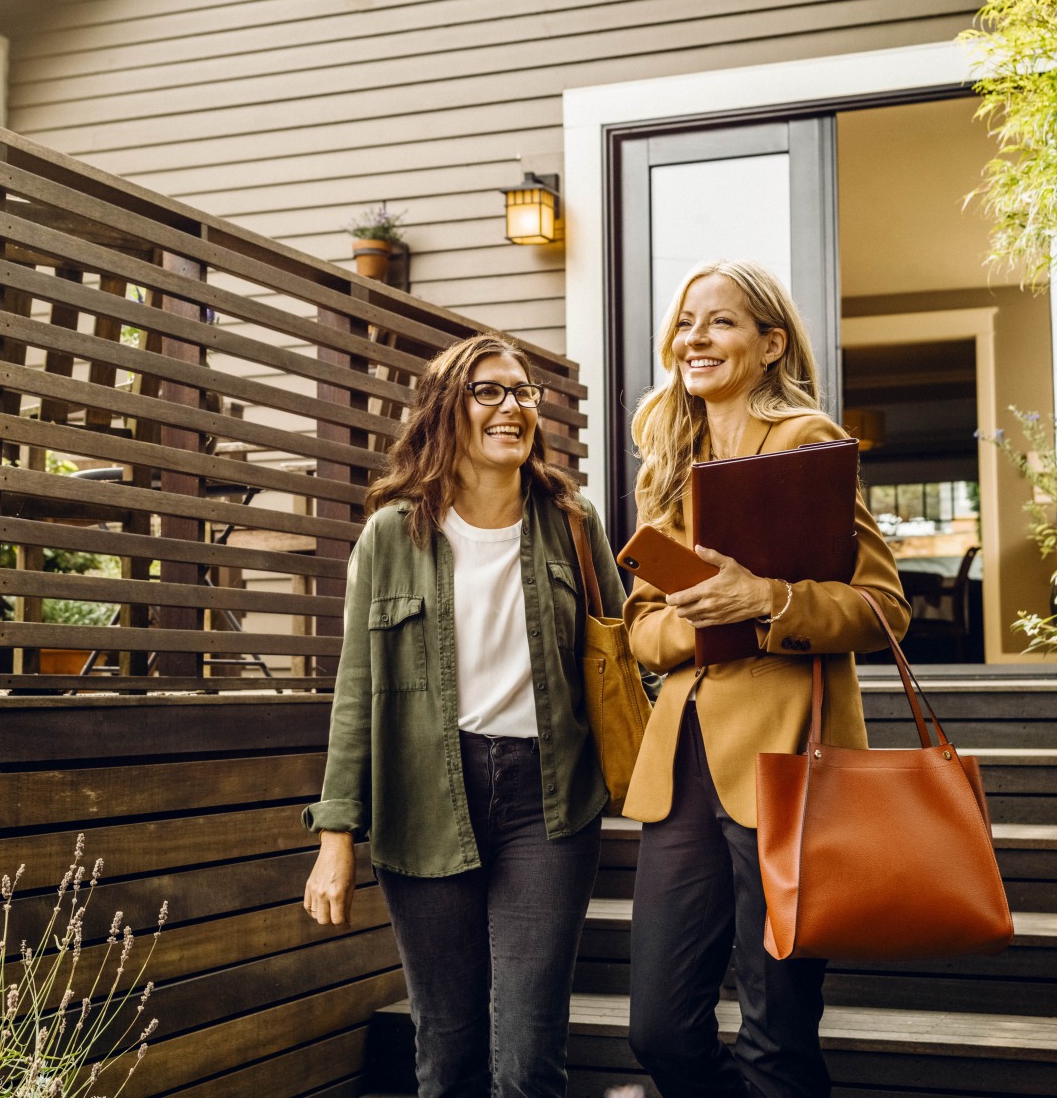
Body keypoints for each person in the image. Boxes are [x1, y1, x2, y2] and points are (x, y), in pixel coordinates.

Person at [302, 332, 624, 1098]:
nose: (513, 407)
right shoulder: (392, 535)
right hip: (424, 799)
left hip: (548, 803)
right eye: (490, 391)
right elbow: (357, 688)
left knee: (526, 1055)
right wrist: (335, 836)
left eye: (524, 392)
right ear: (448, 410)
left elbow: (624, 649)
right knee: (446, 1054)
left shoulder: (572, 522)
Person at [621, 259, 911, 1098]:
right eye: (685, 323)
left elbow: (884, 607)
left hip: (787, 764)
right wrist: (694, 622)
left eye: (720, 322)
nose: (695, 339)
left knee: (776, 1035)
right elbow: (644, 627)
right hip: (680, 769)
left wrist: (769, 600)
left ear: (770, 342)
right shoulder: (671, 460)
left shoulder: (805, 441)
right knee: (659, 1032)